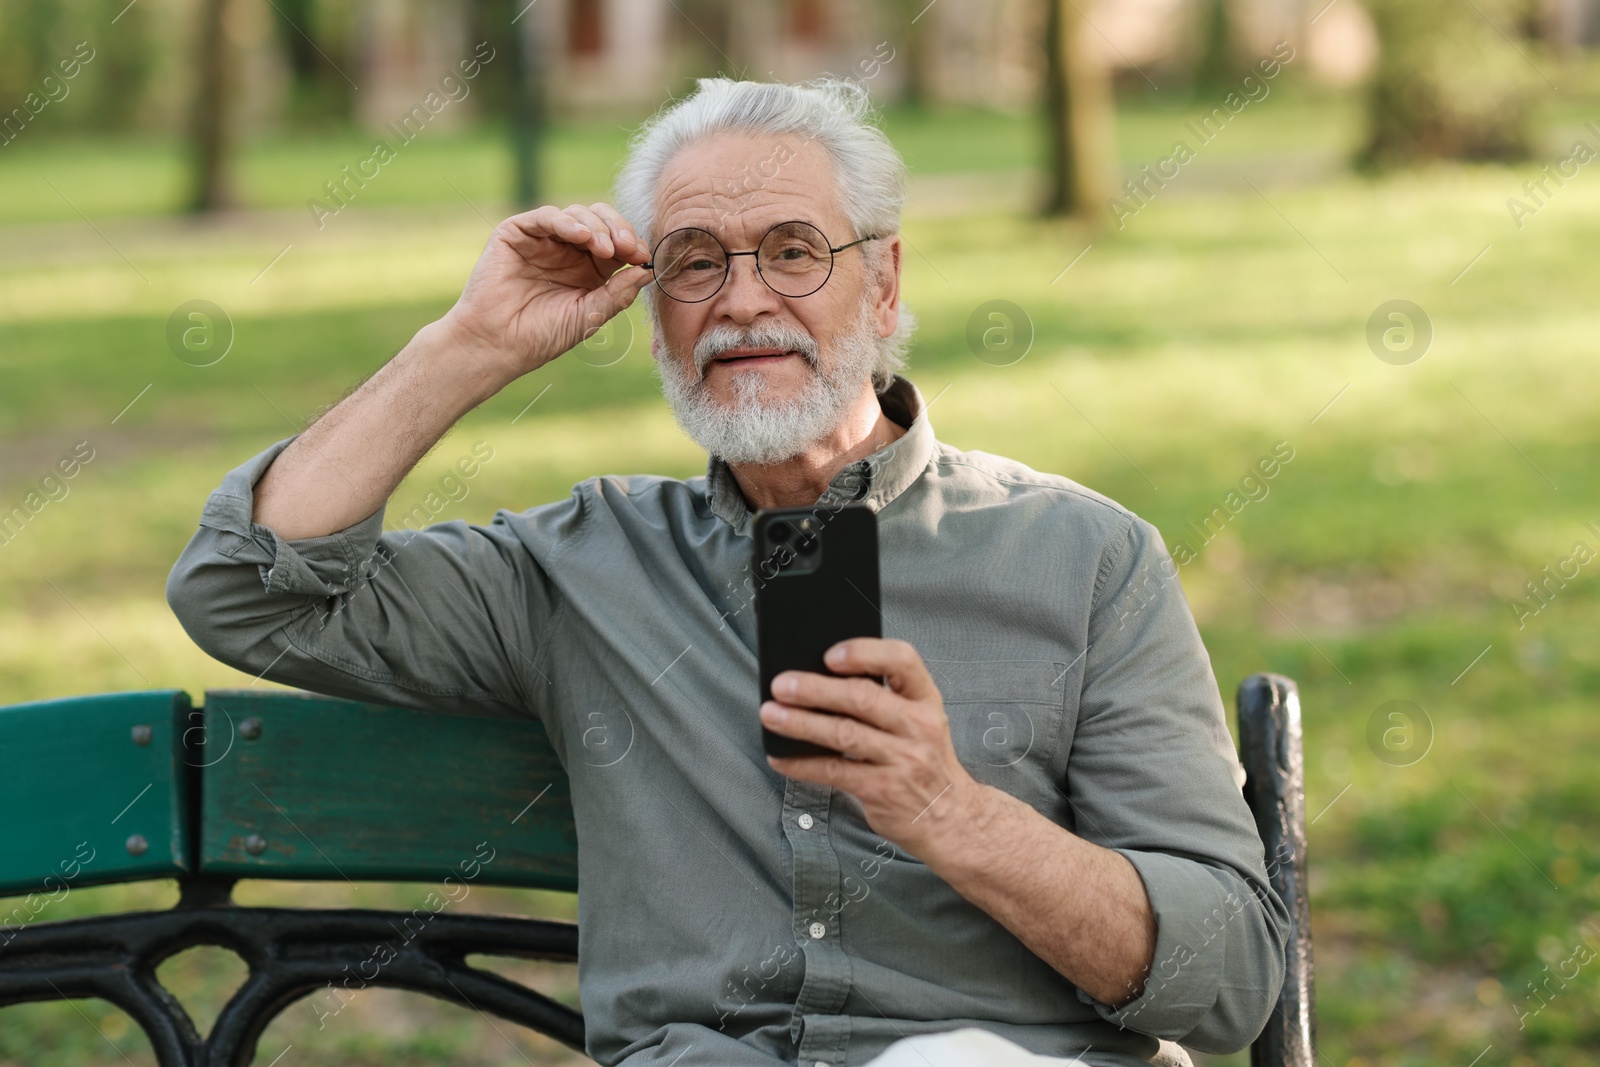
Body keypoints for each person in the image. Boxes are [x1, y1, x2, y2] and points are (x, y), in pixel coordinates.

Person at [166, 77, 1289, 1067]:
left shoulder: (1084, 559)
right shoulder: (581, 567)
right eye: (695, 261)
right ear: (652, 309)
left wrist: (950, 812)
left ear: (885, 282)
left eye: (794, 250)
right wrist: (473, 343)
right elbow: (244, 586)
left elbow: (1231, 976)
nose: (742, 300)